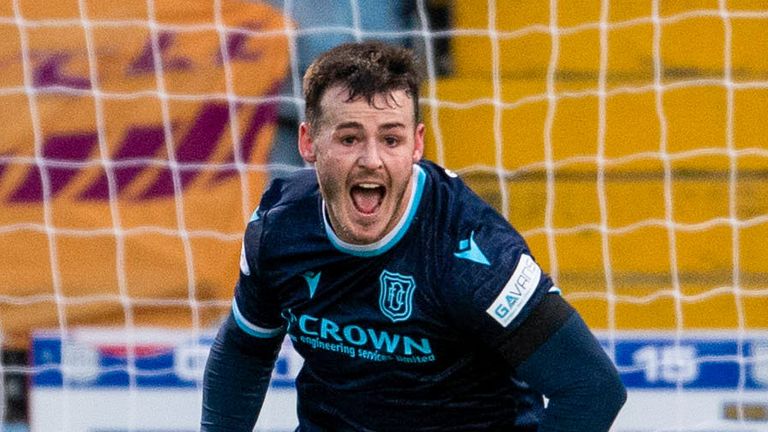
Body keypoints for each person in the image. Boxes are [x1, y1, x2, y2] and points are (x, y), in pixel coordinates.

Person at [201, 41, 626, 431]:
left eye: (391, 139)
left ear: (417, 145)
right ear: (309, 142)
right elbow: (245, 349)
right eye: (349, 138)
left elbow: (592, 388)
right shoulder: (279, 225)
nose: (372, 160)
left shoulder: (472, 252)